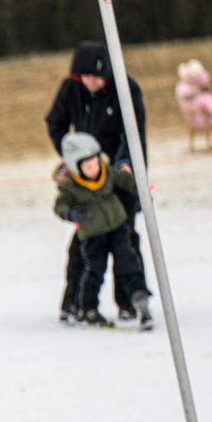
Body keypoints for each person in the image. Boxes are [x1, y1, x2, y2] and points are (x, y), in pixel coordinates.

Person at [46, 41, 150, 323]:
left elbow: (135, 133)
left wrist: (127, 165)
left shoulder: (126, 89)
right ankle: (75, 303)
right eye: (85, 77)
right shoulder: (71, 89)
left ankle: (130, 302)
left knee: (125, 239)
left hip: (117, 174)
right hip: (85, 178)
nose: (90, 82)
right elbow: (55, 123)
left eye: (96, 76)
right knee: (85, 243)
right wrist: (72, 159)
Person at [53, 132, 153, 330]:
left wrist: (141, 191)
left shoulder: (106, 172)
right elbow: (59, 205)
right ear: (75, 167)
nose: (94, 168)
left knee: (128, 260)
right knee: (95, 270)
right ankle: (88, 308)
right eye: (88, 166)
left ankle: (139, 295)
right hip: (92, 235)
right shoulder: (70, 187)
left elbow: (125, 180)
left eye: (96, 163)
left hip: (117, 226)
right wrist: (70, 213)